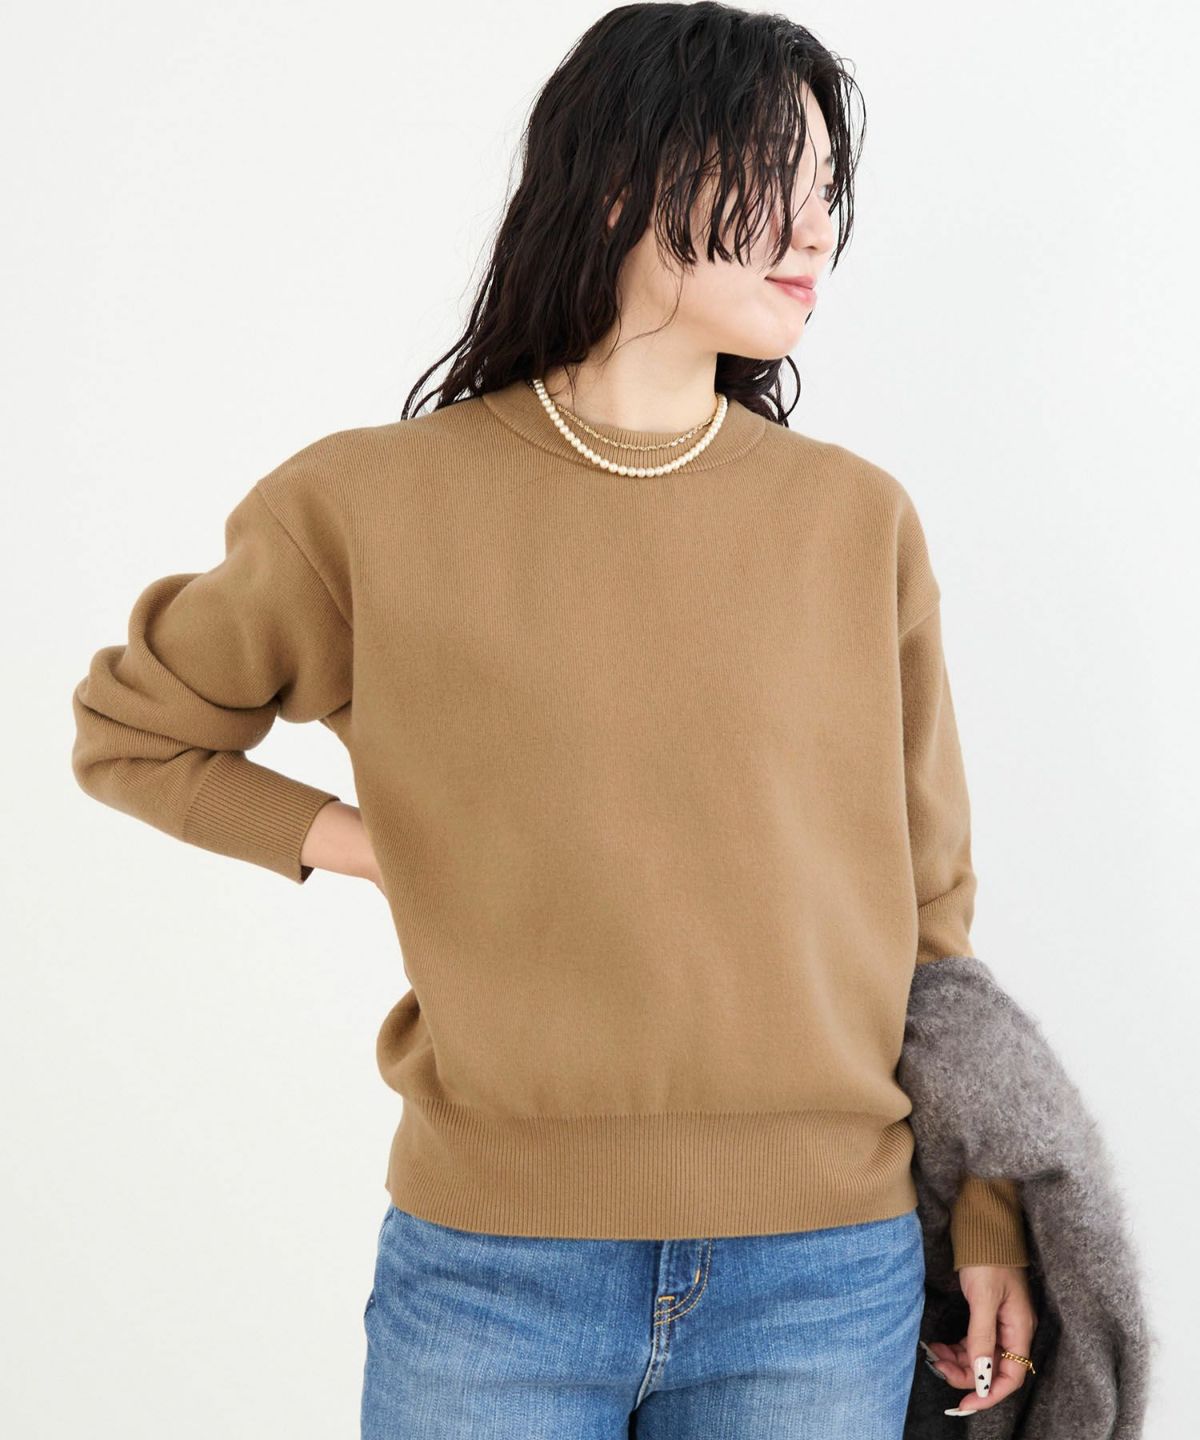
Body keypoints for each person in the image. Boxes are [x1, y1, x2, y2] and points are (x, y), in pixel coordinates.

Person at [70, 4, 1039, 1435]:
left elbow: (933, 912)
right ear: (622, 180)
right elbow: (135, 737)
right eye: (774, 174)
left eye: (830, 187)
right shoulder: (366, 505)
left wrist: (991, 1212)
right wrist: (379, 844)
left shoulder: (855, 520)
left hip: (825, 1270)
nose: (816, 228)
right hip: (496, 1272)